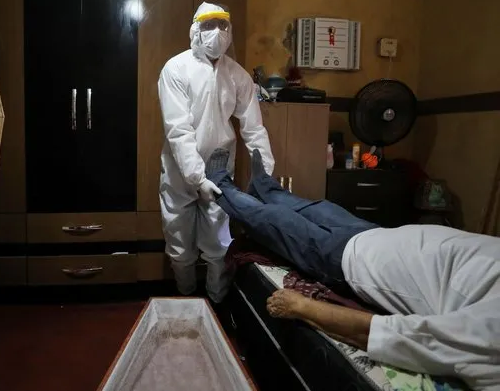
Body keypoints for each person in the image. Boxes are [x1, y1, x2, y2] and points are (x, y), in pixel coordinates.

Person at [205, 147, 500, 391]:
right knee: (305, 204)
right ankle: (264, 185)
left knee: (270, 218)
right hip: (379, 235)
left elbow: (398, 336)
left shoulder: (489, 342)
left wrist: (303, 307)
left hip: (351, 263)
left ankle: (219, 184)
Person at [158, 2, 275, 304]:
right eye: (209, 25)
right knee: (180, 243)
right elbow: (178, 130)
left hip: (220, 169)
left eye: (223, 25)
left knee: (218, 245)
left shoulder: (237, 76)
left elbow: (253, 129)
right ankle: (186, 300)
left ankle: (216, 305)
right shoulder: (176, 69)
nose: (217, 33)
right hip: (179, 171)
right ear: (195, 30)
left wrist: (266, 175)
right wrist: (196, 177)